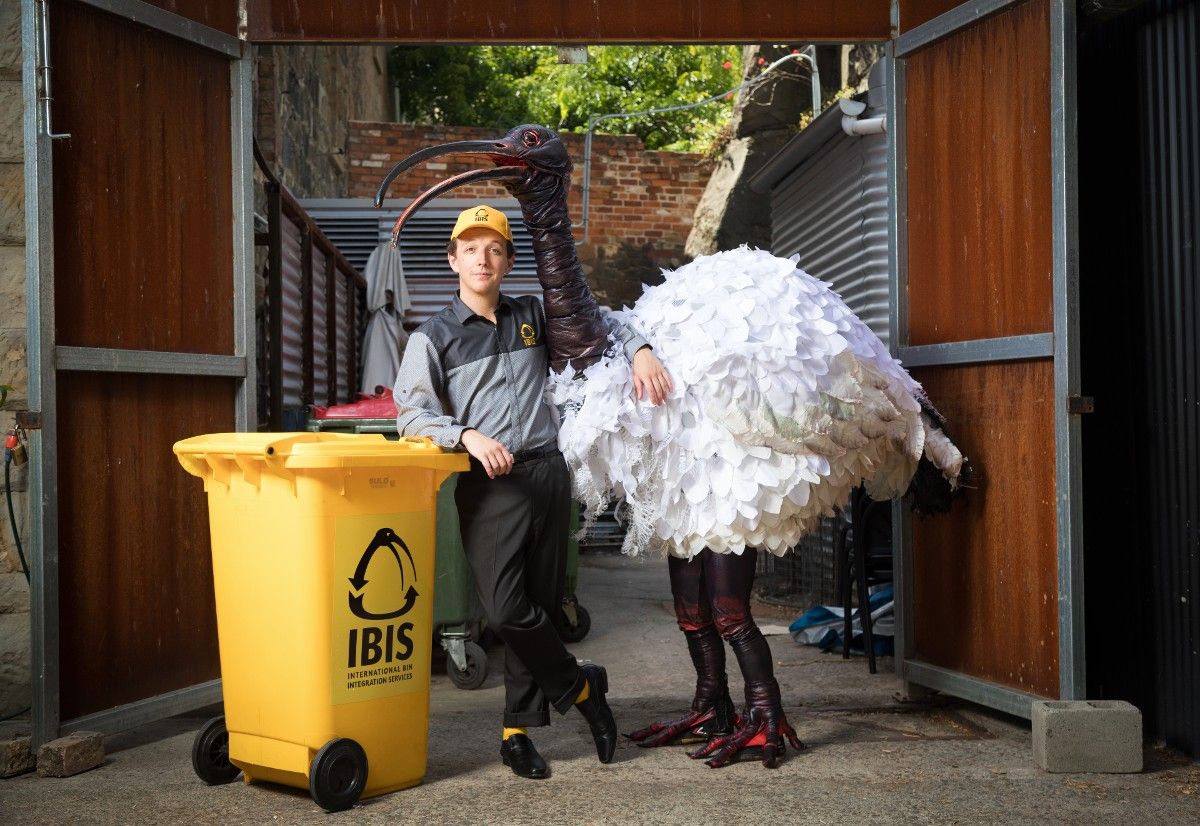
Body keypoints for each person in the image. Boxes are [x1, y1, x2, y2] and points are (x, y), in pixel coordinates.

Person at [393, 204, 672, 779]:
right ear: (453, 260)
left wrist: (641, 349)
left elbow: (604, 321)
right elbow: (410, 415)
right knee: (504, 608)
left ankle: (516, 733)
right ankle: (581, 689)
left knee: (540, 606)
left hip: (549, 474)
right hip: (489, 483)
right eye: (470, 248)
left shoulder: (534, 315)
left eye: (493, 248)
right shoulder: (433, 338)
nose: (482, 258)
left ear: (508, 260)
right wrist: (465, 433)